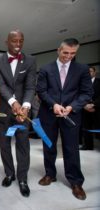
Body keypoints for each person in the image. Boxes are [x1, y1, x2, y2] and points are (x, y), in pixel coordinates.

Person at [36, 38, 93, 200]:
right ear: (58, 50)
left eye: (73, 53)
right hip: (49, 114)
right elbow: (41, 91)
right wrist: (53, 104)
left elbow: (86, 93)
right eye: (65, 52)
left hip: (71, 115)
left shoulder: (82, 69)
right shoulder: (46, 69)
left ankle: (76, 182)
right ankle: (50, 174)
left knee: (71, 149)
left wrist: (71, 107)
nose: (69, 56)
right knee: (49, 146)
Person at [0, 30, 36, 197]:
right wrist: (13, 102)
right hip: (4, 111)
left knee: (23, 144)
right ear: (6, 42)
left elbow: (31, 86)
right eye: (14, 41)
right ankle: (9, 173)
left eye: (21, 41)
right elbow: (1, 85)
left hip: (22, 114)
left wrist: (24, 106)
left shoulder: (31, 60)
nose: (18, 44)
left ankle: (22, 178)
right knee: (4, 144)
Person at [80, 66, 100, 150]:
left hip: (97, 108)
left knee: (98, 126)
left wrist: (94, 104)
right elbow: (79, 95)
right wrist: (85, 105)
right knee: (86, 127)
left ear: (95, 72)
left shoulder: (99, 82)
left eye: (90, 71)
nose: (89, 73)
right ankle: (88, 145)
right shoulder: (82, 84)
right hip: (85, 109)